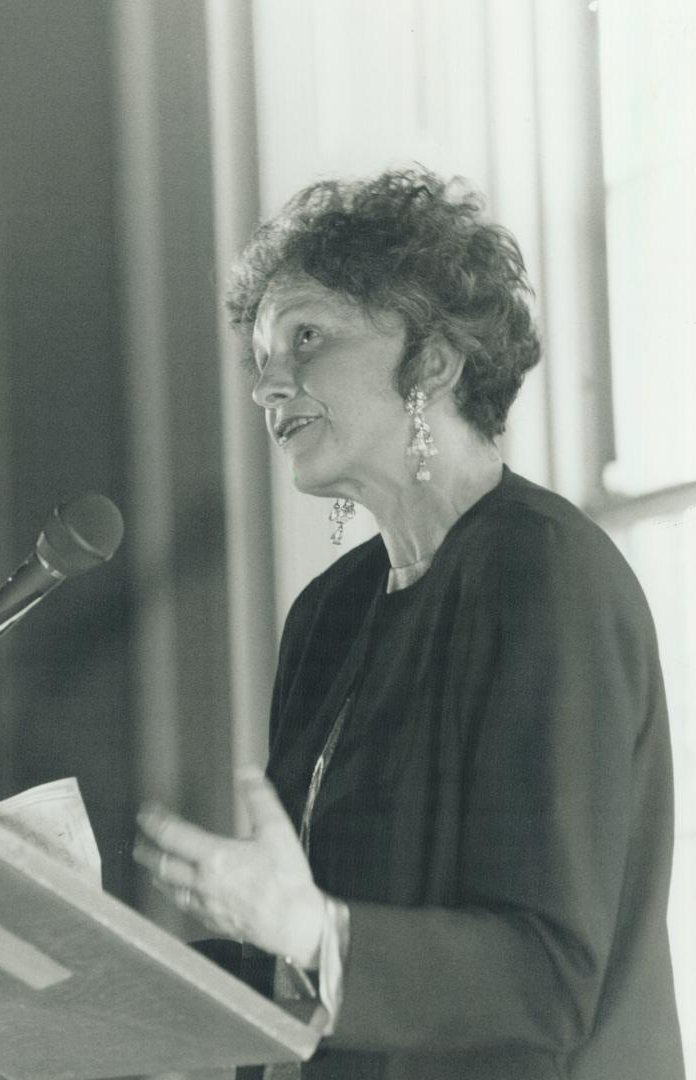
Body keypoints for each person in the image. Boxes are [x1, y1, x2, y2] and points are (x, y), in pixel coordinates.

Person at [134, 169, 685, 1079]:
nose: (270, 385)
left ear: (432, 361)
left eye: (306, 338)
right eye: (261, 358)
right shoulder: (329, 614)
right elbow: (302, 963)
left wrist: (317, 932)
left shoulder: (545, 573)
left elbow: (543, 979)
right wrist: (75, 963)